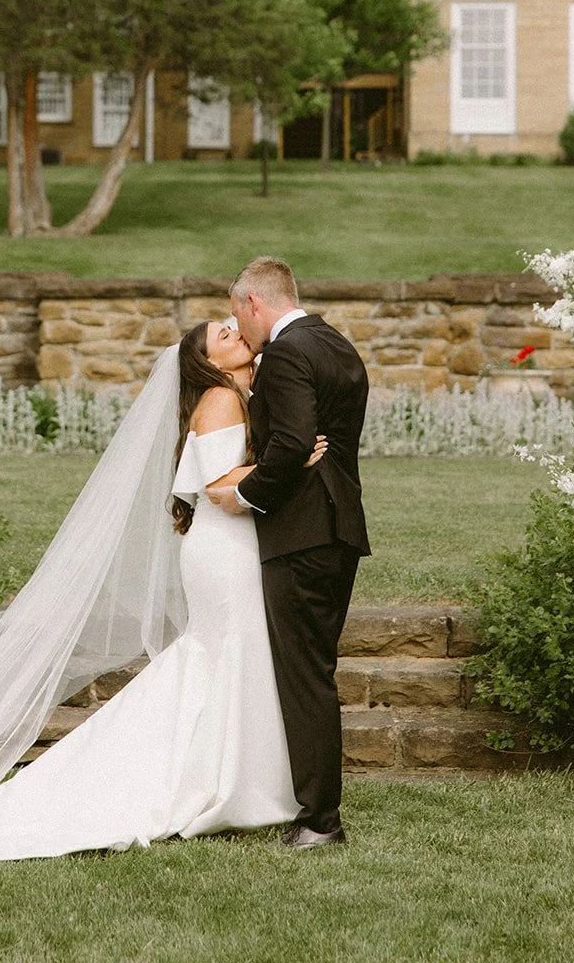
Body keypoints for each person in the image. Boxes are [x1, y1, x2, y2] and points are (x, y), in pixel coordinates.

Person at [0, 319, 329, 865]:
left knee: (228, 655)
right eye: (222, 337)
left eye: (232, 328)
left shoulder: (234, 394)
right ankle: (218, 786)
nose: (234, 334)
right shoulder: (220, 400)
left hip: (226, 547)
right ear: (208, 362)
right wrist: (289, 464)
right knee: (224, 653)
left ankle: (242, 782)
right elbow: (218, 486)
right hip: (223, 549)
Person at [209, 256, 369, 849]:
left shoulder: (285, 352)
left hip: (300, 535)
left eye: (236, 317)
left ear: (254, 303)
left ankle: (320, 820)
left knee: (304, 676)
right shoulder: (337, 345)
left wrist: (243, 495)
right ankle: (315, 807)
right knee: (315, 672)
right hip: (338, 529)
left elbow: (297, 441)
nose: (241, 334)